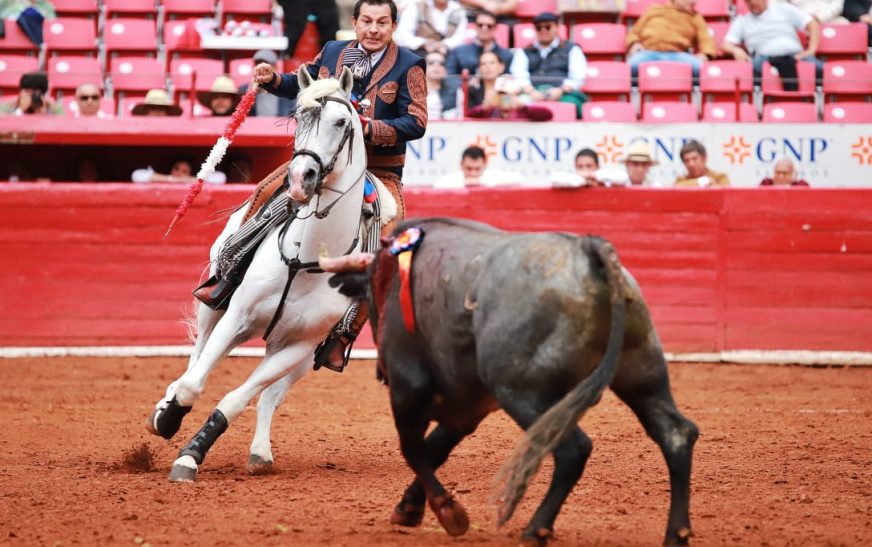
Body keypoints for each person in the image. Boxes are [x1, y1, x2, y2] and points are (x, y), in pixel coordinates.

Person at [251, 0, 428, 372]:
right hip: (328, 165)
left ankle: (343, 335)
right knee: (265, 194)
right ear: (355, 22)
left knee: (388, 247)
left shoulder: (410, 63)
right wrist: (272, 80)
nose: (374, 29)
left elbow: (416, 122)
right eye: (367, 21)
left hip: (379, 170)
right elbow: (305, 84)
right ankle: (227, 274)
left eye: (382, 22)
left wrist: (369, 129)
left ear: (393, 25)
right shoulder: (333, 51)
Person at [722, 0, 824, 84]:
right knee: (750, 72)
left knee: (821, 68)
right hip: (763, 58)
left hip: (795, 55)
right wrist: (736, 51)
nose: (752, 3)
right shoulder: (742, 21)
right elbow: (725, 44)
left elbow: (812, 24)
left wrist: (811, 50)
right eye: (748, 1)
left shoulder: (784, 9)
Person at [508, 12, 587, 119]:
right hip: (531, 93)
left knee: (572, 105)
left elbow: (578, 77)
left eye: (548, 27)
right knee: (514, 103)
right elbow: (519, 75)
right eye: (539, 27)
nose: (543, 30)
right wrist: (532, 92)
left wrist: (560, 90)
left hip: (563, 94)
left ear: (556, 27)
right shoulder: (524, 51)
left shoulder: (572, 49)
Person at [625, 0, 716, 78]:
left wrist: (706, 54)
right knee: (629, 68)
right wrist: (634, 43)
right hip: (649, 52)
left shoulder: (695, 17)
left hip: (678, 55)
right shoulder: (654, 9)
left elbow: (706, 39)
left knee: (700, 68)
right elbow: (634, 32)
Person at [444, 9, 512, 76]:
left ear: (495, 28)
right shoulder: (458, 53)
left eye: (489, 26)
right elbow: (450, 79)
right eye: (480, 25)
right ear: (475, 26)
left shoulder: (506, 56)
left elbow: (509, 81)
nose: (484, 28)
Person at [394, 0, 468, 57]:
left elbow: (461, 38)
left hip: (447, 53)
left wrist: (443, 45)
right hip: (419, 52)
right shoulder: (417, 6)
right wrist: (424, 43)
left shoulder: (458, 10)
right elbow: (401, 37)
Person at [465, 76, 553, 120]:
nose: (503, 99)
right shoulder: (491, 111)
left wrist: (523, 107)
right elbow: (468, 115)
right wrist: (483, 108)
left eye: (507, 96)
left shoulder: (522, 111)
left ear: (514, 96)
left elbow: (547, 114)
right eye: (500, 95)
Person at [239, 50, 296, 117]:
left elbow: (294, 115)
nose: (261, 69)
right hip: (255, 127)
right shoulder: (244, 89)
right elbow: (239, 115)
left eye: (266, 65)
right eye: (258, 65)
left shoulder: (288, 88)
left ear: (275, 67)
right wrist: (249, 93)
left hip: (280, 126)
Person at [433, 144, 521, 187]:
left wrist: (480, 181)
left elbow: (518, 179)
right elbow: (437, 185)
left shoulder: (492, 176)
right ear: (461, 165)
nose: (473, 173)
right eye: (469, 168)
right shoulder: (453, 179)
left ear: (485, 164)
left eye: (477, 169)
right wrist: (464, 183)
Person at [132, 155, 226, 184]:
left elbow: (220, 178)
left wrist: (188, 180)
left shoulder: (193, 181)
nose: (179, 173)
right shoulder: (163, 180)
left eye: (184, 171)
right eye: (176, 169)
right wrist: (172, 179)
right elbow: (137, 175)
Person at [425, 50, 458, 118]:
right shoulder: (411, 91)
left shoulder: (454, 92)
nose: (436, 66)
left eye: (441, 63)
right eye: (431, 63)